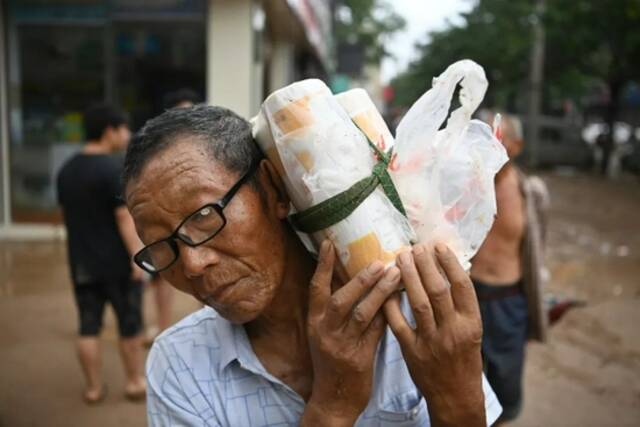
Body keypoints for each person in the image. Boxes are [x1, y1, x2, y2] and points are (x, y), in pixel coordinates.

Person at [123, 105, 503, 426]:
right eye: (160, 246)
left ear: (272, 189)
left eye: (205, 215)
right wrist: (333, 405)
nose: (191, 264)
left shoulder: (415, 310)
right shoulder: (179, 366)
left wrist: (456, 398)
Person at [57, 104, 147, 404]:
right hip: (118, 264)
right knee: (130, 325)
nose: (127, 134)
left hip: (82, 264)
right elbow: (124, 219)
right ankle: (134, 382)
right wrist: (138, 257)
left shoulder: (67, 170)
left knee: (88, 327)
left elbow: (68, 218)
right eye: (123, 128)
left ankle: (93, 389)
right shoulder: (112, 170)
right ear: (110, 130)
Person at [470, 114, 549, 423]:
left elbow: (538, 252)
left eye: (497, 136)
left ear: (516, 146)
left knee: (504, 386)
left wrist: (534, 311)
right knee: (463, 382)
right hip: (469, 297)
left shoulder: (531, 193)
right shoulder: (465, 187)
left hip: (508, 303)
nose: (488, 143)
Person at [143, 89, 200, 344]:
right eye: (181, 111)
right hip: (166, 220)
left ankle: (213, 322)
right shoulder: (154, 144)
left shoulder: (201, 139)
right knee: (164, 273)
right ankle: (163, 327)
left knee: (205, 267)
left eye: (190, 110)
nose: (186, 116)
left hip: (198, 218)